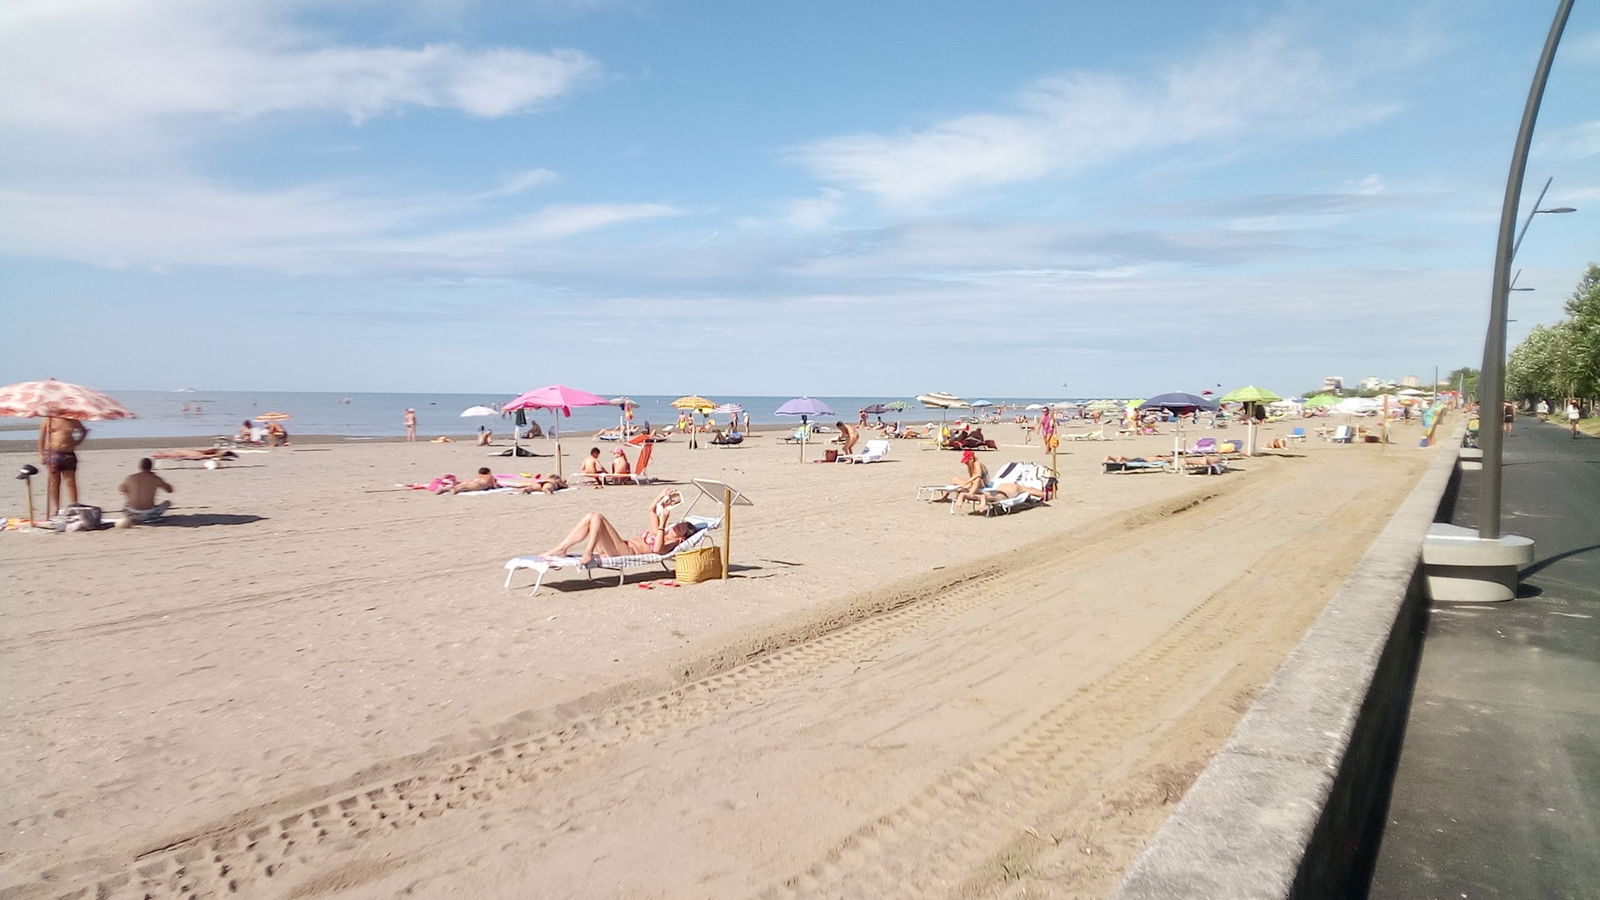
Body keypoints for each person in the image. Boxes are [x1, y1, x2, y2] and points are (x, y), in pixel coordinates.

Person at [542, 488, 699, 565]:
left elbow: (658, 550)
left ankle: (588, 552)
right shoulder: (661, 533)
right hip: (615, 547)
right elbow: (651, 509)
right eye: (678, 524)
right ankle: (562, 548)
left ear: (681, 538)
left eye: (679, 528)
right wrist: (661, 495)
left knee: (597, 517)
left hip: (623, 552)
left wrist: (663, 524)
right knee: (591, 516)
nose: (676, 526)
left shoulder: (669, 542)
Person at [38, 416, 88, 517]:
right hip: (53, 453)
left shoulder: (73, 420)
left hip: (69, 454)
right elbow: (41, 438)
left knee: (70, 482)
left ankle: (74, 505)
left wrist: (77, 442)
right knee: (54, 482)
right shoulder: (49, 420)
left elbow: (83, 431)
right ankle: (56, 508)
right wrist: (41, 454)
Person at [120, 458, 174, 523]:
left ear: (140, 467)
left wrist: (131, 496)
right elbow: (170, 490)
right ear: (151, 467)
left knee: (126, 505)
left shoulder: (131, 477)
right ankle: (148, 516)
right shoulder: (155, 478)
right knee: (168, 503)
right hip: (149, 511)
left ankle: (135, 515)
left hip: (133, 510)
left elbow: (122, 489)